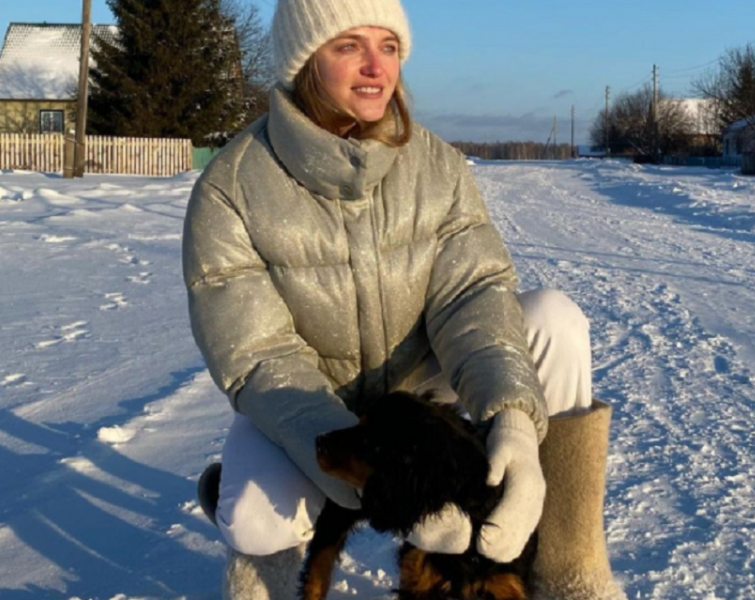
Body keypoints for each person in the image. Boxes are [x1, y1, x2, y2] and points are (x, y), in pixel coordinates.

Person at [182, 0, 625, 598]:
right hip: (304, 401)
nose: (375, 67)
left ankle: (570, 570)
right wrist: (380, 478)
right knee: (257, 521)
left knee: (553, 319)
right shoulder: (231, 189)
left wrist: (514, 423)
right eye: (348, 46)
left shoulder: (437, 166)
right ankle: (240, 510)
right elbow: (258, 356)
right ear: (304, 59)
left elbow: (471, 295)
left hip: (421, 390)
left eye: (388, 47)